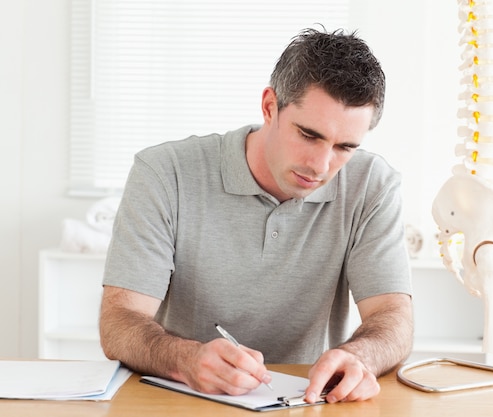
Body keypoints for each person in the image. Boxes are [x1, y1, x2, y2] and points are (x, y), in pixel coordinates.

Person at [99, 27, 414, 404]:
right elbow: (118, 323)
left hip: (309, 403)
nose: (321, 165)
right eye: (309, 135)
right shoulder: (165, 172)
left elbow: (394, 317)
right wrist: (186, 359)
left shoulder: (372, 184)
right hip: (179, 399)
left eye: (345, 147)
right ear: (270, 106)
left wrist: (359, 356)